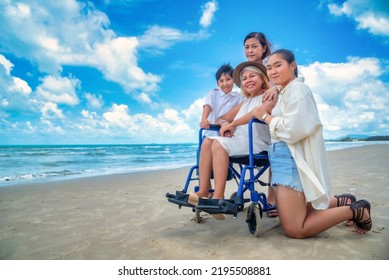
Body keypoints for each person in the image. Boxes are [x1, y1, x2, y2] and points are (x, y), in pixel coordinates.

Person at [252, 49, 372, 238]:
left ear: (293, 66)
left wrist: (265, 117)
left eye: (278, 65)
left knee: (295, 229)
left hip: (290, 157)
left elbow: (293, 130)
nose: (273, 71)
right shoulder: (286, 91)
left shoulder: (298, 90)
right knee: (300, 213)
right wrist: (274, 91)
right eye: (269, 68)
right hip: (282, 156)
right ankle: (342, 201)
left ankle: (356, 210)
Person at [189, 61, 273, 219]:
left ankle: (218, 197)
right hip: (241, 141)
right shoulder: (244, 102)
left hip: (257, 144)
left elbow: (257, 113)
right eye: (244, 78)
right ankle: (203, 190)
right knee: (208, 140)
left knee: (219, 142)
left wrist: (233, 124)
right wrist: (226, 124)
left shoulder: (268, 97)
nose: (248, 80)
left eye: (252, 76)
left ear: (262, 78)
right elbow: (222, 118)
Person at [243, 32, 279, 217]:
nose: (250, 50)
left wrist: (275, 87)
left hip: (274, 115)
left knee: (275, 153)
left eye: (254, 46)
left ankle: (272, 199)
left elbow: (291, 79)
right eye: (247, 47)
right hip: (256, 117)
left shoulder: (270, 64)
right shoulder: (247, 69)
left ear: (264, 47)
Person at [200, 63, 245, 137]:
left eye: (228, 79)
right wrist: (204, 119)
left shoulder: (238, 96)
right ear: (217, 83)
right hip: (211, 132)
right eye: (221, 81)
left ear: (233, 80)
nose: (225, 83)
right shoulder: (213, 93)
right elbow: (207, 106)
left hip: (227, 133)